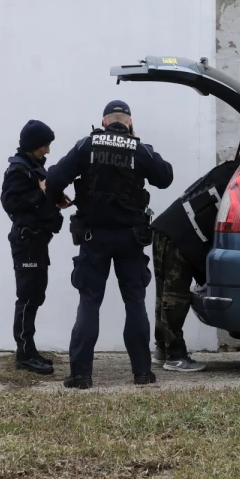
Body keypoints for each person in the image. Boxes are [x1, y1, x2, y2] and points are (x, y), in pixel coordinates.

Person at [46, 100, 173, 389]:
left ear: (103, 122)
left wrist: (56, 198)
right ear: (129, 122)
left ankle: (81, 376)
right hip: (130, 238)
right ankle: (142, 373)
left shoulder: (86, 146)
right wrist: (140, 149)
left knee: (89, 302)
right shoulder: (139, 148)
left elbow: (54, 177)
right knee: (134, 302)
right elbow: (165, 177)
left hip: (94, 238)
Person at [149, 132, 240, 372]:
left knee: (165, 295)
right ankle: (175, 356)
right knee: (175, 298)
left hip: (167, 230)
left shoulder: (230, 170)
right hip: (179, 236)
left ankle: (163, 348)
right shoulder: (239, 178)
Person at [1, 120, 67, 375]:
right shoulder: (18, 169)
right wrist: (41, 194)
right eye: (44, 146)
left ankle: (29, 350)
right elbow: (10, 202)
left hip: (37, 242)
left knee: (35, 295)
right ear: (32, 145)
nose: (48, 151)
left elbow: (39, 198)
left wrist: (56, 200)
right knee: (28, 296)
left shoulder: (33, 167)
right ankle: (24, 354)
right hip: (26, 242)